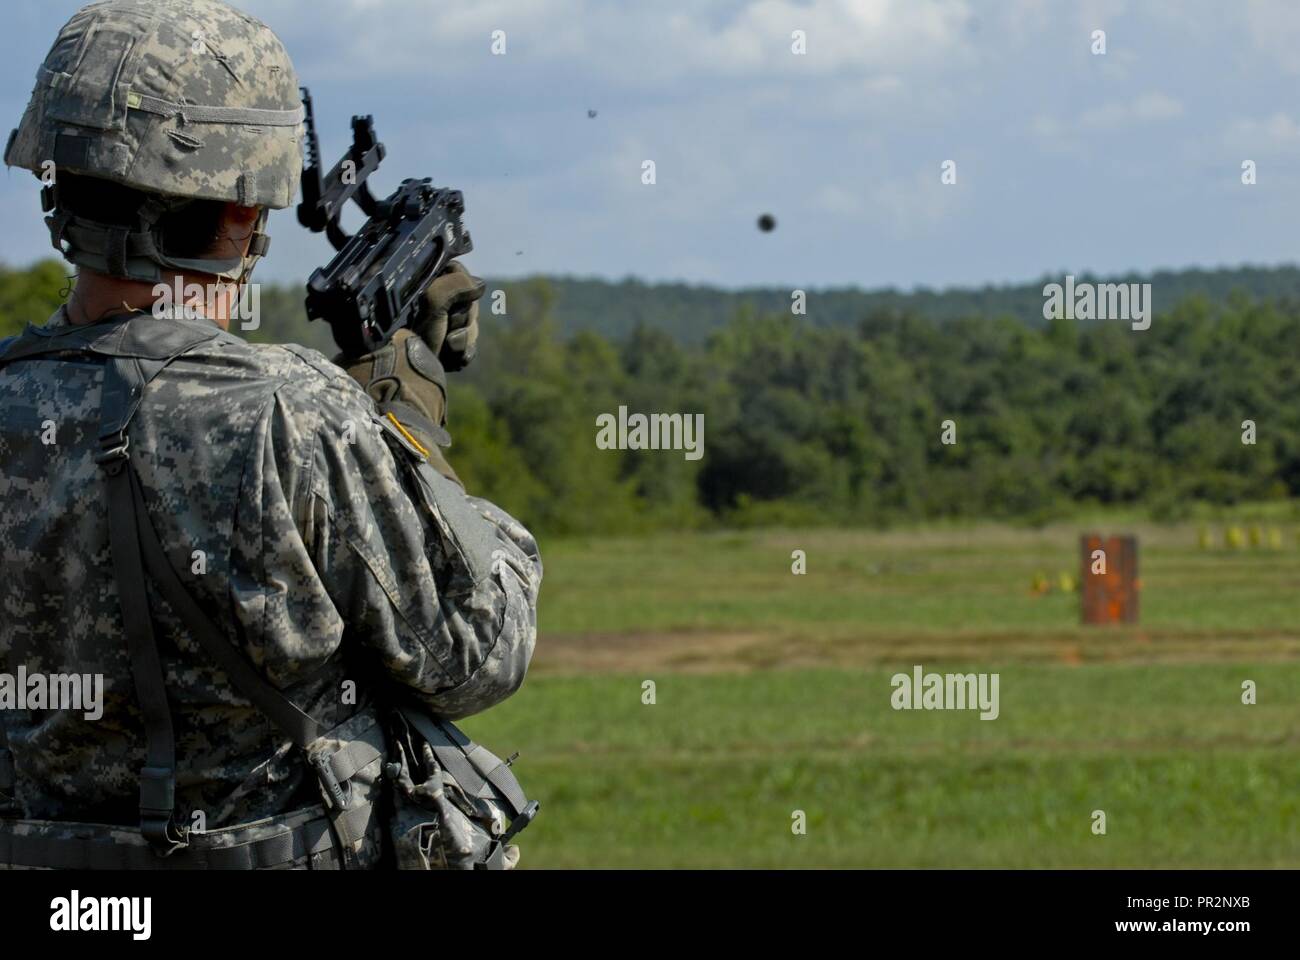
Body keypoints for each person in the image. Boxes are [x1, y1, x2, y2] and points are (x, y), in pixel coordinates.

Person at [0, 0, 541, 870]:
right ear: (242, 212)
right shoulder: (290, 410)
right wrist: (410, 438)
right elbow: (476, 647)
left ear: (58, 186)